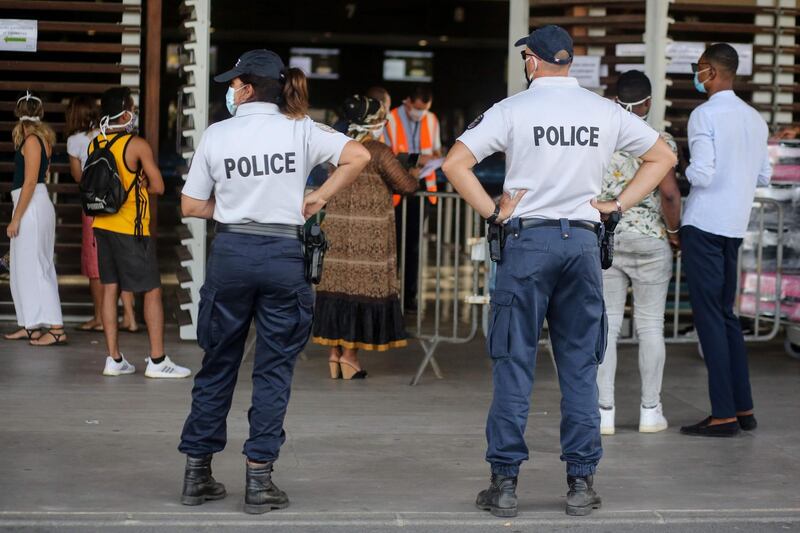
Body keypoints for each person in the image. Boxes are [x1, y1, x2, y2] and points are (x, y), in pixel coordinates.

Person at [442, 25, 676, 517]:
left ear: (532, 61)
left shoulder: (513, 110)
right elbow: (663, 157)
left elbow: (455, 163)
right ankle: (581, 483)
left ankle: (504, 484)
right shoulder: (604, 111)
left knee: (514, 362)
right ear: (568, 62)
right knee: (579, 366)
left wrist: (493, 211)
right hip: (584, 245)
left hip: (527, 243)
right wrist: (616, 204)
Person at [178, 49, 370, 514]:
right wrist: (316, 196)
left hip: (232, 253)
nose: (230, 90)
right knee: (274, 368)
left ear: (245, 88)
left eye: (233, 83)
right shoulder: (303, 129)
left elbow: (189, 205)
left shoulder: (217, 134)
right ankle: (259, 480)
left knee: (218, 362)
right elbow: (358, 154)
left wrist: (229, 210)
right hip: (284, 254)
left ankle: (197, 475)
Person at [679, 44, 772, 437]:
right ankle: (742, 407)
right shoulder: (755, 119)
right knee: (727, 317)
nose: (696, 76)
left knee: (709, 320)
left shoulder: (704, 115)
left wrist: (677, 164)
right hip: (734, 225)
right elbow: (764, 178)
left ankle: (722, 414)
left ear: (711, 72)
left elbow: (701, 175)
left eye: (698, 69)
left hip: (703, 224)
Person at [596, 70, 682, 436]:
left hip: (607, 239)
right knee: (650, 327)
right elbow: (669, 195)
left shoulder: (599, 140)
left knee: (608, 326)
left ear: (616, 101)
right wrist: (676, 234)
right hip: (651, 239)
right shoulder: (659, 140)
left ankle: (605, 412)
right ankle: (650, 411)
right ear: (648, 102)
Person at [312, 95, 419, 379]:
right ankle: (349, 357)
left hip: (336, 231)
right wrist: (415, 172)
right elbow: (405, 185)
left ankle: (334, 354)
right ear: (372, 123)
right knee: (360, 292)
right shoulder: (379, 151)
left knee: (338, 289)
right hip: (368, 239)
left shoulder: (338, 147)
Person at [91, 87, 190, 379]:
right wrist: (144, 181)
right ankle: (158, 361)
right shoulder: (136, 145)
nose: (133, 113)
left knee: (110, 288)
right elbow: (159, 187)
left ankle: (114, 359)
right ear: (123, 113)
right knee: (152, 291)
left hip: (102, 225)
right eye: (132, 108)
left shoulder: (95, 142)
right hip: (131, 229)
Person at [65, 96, 138, 334]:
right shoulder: (110, 135)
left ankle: (99, 317)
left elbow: (78, 178)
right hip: (121, 204)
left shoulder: (75, 141)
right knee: (123, 259)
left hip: (95, 208)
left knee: (95, 265)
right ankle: (129, 317)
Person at [3, 91, 67, 346]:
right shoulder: (40, 139)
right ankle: (31, 324)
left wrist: (16, 218)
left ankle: (57, 328)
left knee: (38, 267)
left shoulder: (31, 141)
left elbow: (30, 182)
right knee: (23, 267)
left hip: (31, 207)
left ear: (19, 113)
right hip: (33, 204)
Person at [386, 85, 442, 310]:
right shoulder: (390, 118)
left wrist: (425, 161)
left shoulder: (432, 120)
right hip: (396, 192)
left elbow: (436, 152)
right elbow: (387, 154)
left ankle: (410, 296)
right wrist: (417, 159)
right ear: (407, 101)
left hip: (422, 191)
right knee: (394, 246)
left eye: (425, 109)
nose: (420, 114)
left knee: (414, 247)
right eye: (417, 109)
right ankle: (391, 294)